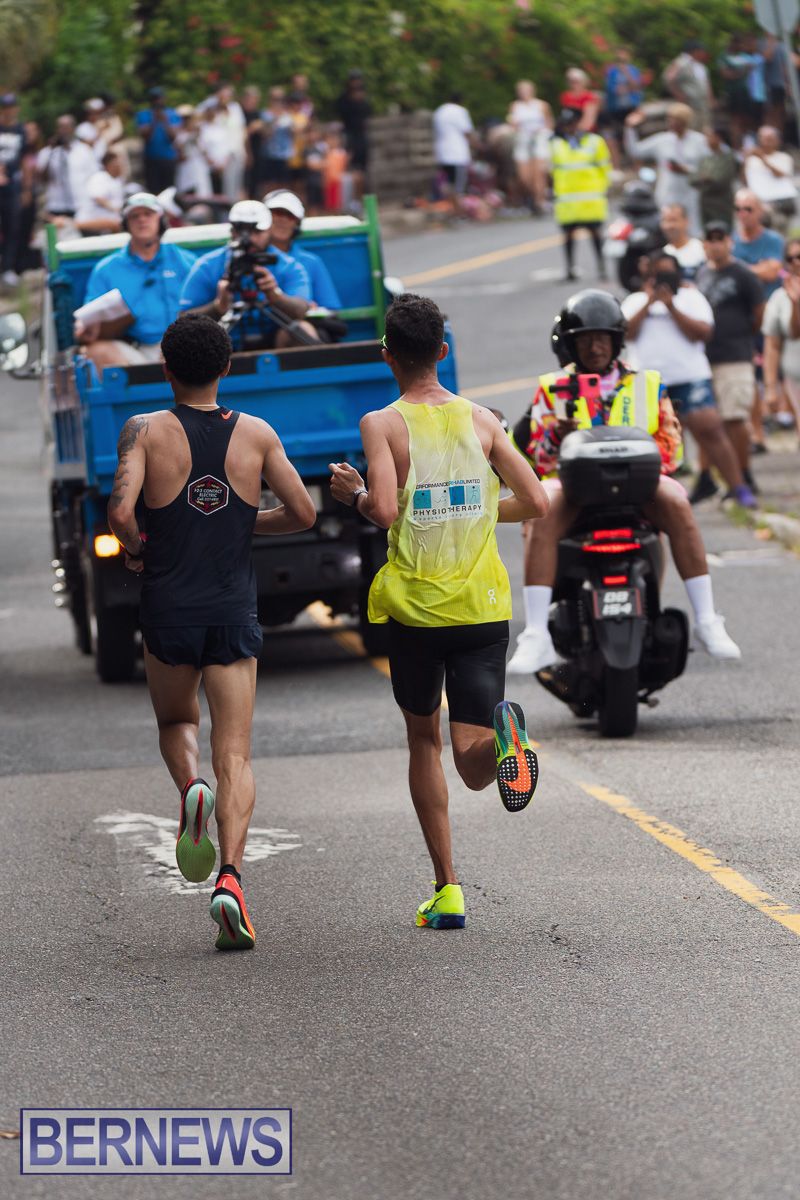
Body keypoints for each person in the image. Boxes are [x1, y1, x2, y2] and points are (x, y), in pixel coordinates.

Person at [329, 294, 548, 930]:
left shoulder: (383, 423)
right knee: (474, 754)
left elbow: (388, 511)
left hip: (419, 611)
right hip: (483, 607)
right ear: (443, 353)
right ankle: (507, 743)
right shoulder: (482, 420)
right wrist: (480, 508)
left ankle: (448, 889)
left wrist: (356, 493)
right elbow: (533, 500)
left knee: (424, 740)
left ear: (387, 356)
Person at [106, 313, 316, 951]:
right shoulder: (256, 434)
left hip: (168, 608)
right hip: (232, 612)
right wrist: (243, 523)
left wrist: (141, 548)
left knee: (176, 724)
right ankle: (230, 878)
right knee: (238, 754)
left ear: (165, 369)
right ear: (227, 367)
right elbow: (303, 512)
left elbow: (120, 511)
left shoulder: (143, 430)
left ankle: (188, 789)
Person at [507, 289, 742, 674]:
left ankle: (706, 620)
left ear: (616, 340)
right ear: (572, 344)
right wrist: (557, 435)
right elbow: (540, 457)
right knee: (541, 509)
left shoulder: (649, 383)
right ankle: (536, 635)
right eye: (585, 339)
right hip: (573, 488)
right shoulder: (552, 388)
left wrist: (640, 460)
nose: (594, 346)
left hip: (638, 484)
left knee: (679, 502)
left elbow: (672, 447)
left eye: (602, 337)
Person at [622, 249, 755, 507]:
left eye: (667, 272)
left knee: (710, 430)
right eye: (657, 272)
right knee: (645, 442)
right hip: (646, 382)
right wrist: (650, 302)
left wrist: (670, 306)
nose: (662, 277)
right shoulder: (634, 301)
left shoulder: (692, 298)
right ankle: (647, 498)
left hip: (689, 377)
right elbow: (626, 333)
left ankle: (739, 489)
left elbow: (703, 333)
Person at [76, 192, 194, 371]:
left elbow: (210, 307)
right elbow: (89, 317)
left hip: (184, 349)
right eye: (135, 216)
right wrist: (84, 328)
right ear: (126, 224)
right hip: (134, 353)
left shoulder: (185, 261)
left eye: (148, 214)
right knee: (95, 350)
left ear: (160, 220)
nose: (142, 220)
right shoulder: (106, 269)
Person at [179, 199, 317, 349]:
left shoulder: (288, 266)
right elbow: (183, 320)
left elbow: (301, 310)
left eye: (257, 231)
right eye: (242, 231)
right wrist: (217, 307)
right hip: (222, 344)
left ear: (270, 230)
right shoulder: (208, 266)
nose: (250, 239)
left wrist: (275, 296)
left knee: (302, 328)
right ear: (232, 231)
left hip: (275, 341)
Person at [694, 222, 765, 502]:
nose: (715, 245)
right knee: (707, 422)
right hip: (704, 358)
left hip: (735, 354)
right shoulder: (701, 275)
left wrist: (744, 339)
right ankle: (708, 476)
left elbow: (759, 313)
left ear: (729, 242)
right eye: (709, 240)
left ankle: (744, 473)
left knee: (735, 418)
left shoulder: (743, 274)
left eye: (719, 239)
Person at [732, 189, 784, 451]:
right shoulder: (732, 240)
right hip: (745, 318)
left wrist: (740, 270)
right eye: (739, 209)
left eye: (748, 209)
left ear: (759, 211)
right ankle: (758, 432)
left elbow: (773, 270)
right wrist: (757, 270)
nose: (743, 214)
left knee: (783, 371)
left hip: (773, 315)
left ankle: (783, 416)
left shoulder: (772, 239)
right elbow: (761, 271)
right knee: (751, 374)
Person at [624, 104, 709, 236]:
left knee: (693, 230)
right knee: (667, 229)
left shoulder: (699, 140)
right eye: (670, 119)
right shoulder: (662, 140)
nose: (672, 123)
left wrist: (686, 170)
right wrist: (630, 129)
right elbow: (636, 151)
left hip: (690, 192)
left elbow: (707, 168)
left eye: (676, 120)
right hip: (667, 194)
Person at [549, 107, 610, 282]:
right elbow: (551, 169)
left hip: (591, 198)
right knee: (568, 236)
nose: (569, 127)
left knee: (596, 234)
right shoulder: (556, 143)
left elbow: (605, 166)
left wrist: (603, 188)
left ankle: (601, 267)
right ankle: (570, 269)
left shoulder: (594, 141)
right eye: (566, 124)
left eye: (572, 123)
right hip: (567, 199)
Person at [263, 188, 342, 310]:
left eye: (290, 216)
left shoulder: (311, 262)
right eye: (277, 213)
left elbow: (331, 308)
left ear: (297, 224)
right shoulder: (240, 257)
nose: (282, 219)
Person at [762, 238, 800, 445]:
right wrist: (770, 387)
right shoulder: (780, 297)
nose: (796, 262)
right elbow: (773, 345)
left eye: (799, 256)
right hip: (795, 379)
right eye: (790, 258)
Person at [36, 114, 97, 226]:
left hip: (80, 206)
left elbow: (94, 177)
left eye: (66, 127)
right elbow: (42, 179)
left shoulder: (85, 151)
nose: (63, 130)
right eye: (60, 127)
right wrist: (51, 152)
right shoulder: (47, 152)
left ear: (73, 129)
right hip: (55, 206)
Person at [506, 80, 552, 213]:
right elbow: (513, 124)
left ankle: (539, 201)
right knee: (524, 176)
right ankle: (533, 196)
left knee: (539, 174)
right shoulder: (515, 106)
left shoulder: (541, 105)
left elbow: (549, 123)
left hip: (538, 141)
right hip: (523, 141)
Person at [744, 126, 797, 231]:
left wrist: (763, 159)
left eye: (770, 139)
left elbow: (780, 174)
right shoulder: (752, 159)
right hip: (759, 203)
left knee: (780, 234)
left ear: (777, 141)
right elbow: (745, 180)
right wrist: (745, 159)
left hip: (780, 203)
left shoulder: (784, 157)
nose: (766, 142)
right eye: (764, 139)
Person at [0, 93, 27, 286]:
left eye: (12, 106)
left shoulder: (20, 130)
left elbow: (25, 159)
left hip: (13, 185)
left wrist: (26, 187)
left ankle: (8, 268)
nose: (9, 110)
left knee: (12, 226)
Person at [689, 125, 739, 230]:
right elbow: (692, 179)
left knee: (723, 231)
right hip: (706, 204)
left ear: (718, 137)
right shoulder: (705, 158)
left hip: (721, 204)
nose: (707, 140)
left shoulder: (728, 157)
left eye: (710, 136)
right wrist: (705, 178)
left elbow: (720, 179)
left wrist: (705, 178)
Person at [136, 87, 181, 193]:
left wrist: (165, 122)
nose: (157, 101)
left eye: (159, 98)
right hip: (151, 158)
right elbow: (145, 137)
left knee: (168, 191)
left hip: (169, 158)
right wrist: (154, 121)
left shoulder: (172, 113)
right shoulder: (143, 114)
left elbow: (173, 137)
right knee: (153, 190)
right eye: (154, 99)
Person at [604, 48, 643, 164]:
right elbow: (613, 90)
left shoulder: (633, 71)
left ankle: (637, 166)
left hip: (631, 107)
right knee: (616, 137)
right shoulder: (611, 72)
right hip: (616, 109)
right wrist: (627, 88)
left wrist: (626, 73)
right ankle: (618, 165)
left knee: (634, 136)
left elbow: (636, 87)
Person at [664, 40, 713, 131]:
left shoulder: (700, 65)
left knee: (703, 129)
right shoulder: (681, 62)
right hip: (689, 104)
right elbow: (669, 78)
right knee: (690, 129)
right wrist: (678, 95)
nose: (704, 54)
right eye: (702, 51)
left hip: (702, 105)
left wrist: (710, 99)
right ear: (695, 51)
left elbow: (706, 84)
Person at [336, 71, 371, 200]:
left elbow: (368, 113)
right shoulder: (344, 98)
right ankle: (353, 200)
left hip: (362, 136)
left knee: (363, 171)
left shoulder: (363, 97)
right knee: (352, 170)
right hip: (350, 137)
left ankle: (362, 198)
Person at [75, 150, 125, 235]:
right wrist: (117, 209)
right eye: (117, 163)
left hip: (107, 226)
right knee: (116, 224)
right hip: (90, 222)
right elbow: (98, 197)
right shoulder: (99, 177)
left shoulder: (118, 181)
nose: (121, 166)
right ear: (109, 165)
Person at [433, 92, 474, 196]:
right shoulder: (459, 111)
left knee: (445, 182)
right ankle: (457, 208)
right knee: (457, 186)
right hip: (457, 153)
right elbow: (467, 132)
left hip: (441, 152)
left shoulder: (439, 111)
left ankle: (448, 204)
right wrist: (478, 146)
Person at [660, 202, 706, 280]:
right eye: (665, 221)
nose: (669, 226)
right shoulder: (663, 253)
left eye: (673, 220)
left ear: (686, 221)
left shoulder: (701, 249)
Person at [174, 106, 212, 197]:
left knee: (202, 192)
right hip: (186, 168)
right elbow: (180, 154)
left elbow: (204, 151)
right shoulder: (179, 134)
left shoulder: (200, 134)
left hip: (199, 168)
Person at [560, 68, 599, 133]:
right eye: (571, 81)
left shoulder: (589, 96)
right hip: (568, 129)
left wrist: (578, 131)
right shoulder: (565, 96)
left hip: (585, 131)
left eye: (576, 81)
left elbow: (589, 118)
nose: (573, 84)